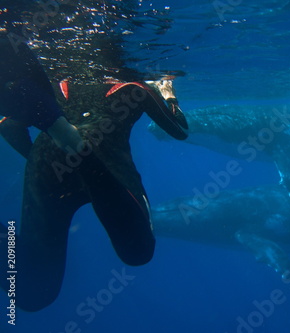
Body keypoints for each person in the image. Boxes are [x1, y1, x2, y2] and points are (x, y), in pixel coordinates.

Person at [0, 28, 188, 311]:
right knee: (138, 253)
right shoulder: (135, 88)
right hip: (106, 166)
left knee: (32, 292)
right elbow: (180, 131)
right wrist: (168, 93)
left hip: (48, 159)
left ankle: (69, 144)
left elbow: (9, 126)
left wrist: (40, 161)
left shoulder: (52, 85)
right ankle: (76, 148)